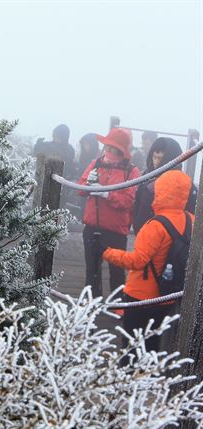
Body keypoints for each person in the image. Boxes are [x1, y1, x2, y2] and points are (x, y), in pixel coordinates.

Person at [97, 170, 194, 353]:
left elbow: (137, 261)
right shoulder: (192, 221)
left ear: (160, 192)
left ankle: (129, 377)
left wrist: (105, 252)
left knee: (131, 348)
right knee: (153, 346)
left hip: (141, 297)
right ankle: (150, 377)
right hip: (169, 295)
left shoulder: (155, 225)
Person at [77, 127, 140, 297]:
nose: (109, 151)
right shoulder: (95, 163)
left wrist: (105, 193)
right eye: (107, 147)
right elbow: (80, 190)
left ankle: (118, 306)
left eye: (114, 149)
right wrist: (87, 184)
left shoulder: (132, 171)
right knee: (92, 270)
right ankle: (90, 306)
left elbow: (127, 201)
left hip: (116, 232)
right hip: (91, 227)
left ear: (122, 151)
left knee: (117, 272)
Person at [132, 137, 198, 234]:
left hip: (169, 237)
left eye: (160, 158)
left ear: (171, 159)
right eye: (154, 157)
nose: (156, 162)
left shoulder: (183, 183)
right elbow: (137, 203)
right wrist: (137, 225)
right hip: (144, 233)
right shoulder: (146, 177)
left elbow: (190, 211)